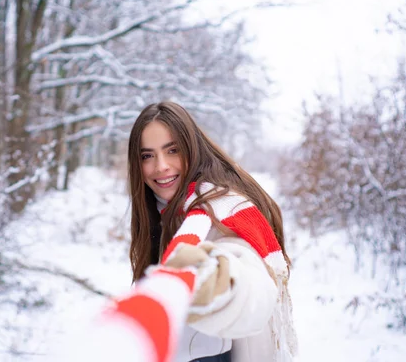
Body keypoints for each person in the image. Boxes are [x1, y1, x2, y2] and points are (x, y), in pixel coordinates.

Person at [127, 101, 297, 362]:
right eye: (147, 156)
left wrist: (217, 282)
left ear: (191, 149)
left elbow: (248, 276)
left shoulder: (220, 209)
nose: (161, 166)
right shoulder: (166, 211)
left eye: (172, 150)